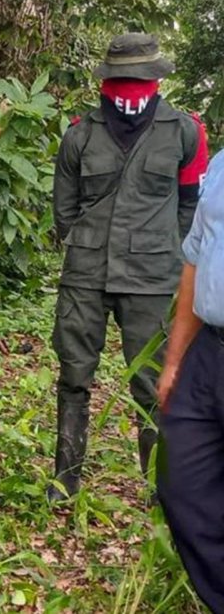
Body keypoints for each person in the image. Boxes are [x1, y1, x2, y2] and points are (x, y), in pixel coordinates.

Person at [48, 33, 208, 502]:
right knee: (74, 375)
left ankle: (160, 488)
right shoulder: (80, 133)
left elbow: (191, 206)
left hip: (152, 280)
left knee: (153, 383)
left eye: (140, 78)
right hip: (86, 277)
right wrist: (91, 243)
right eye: (122, 79)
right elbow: (65, 210)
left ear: (156, 79)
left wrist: (164, 252)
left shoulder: (185, 132)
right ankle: (65, 480)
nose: (130, 89)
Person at [157, 149, 224, 614]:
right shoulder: (220, 165)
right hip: (208, 351)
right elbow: (195, 260)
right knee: (182, 484)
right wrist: (174, 360)